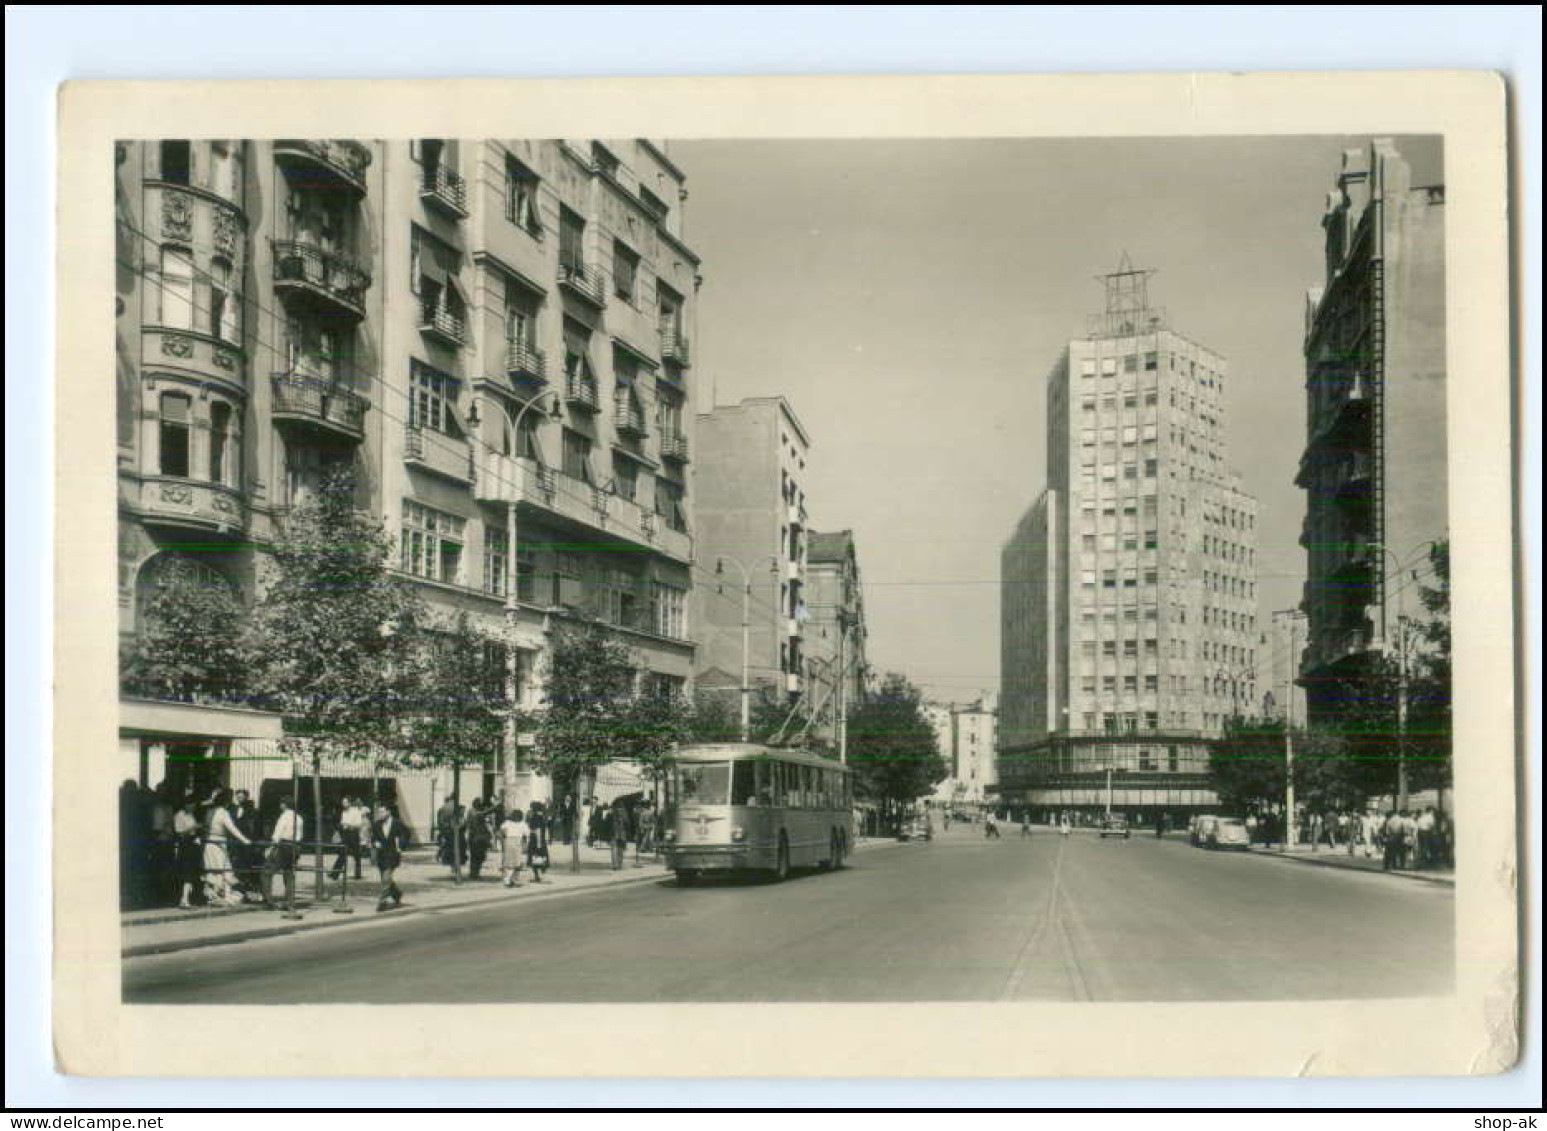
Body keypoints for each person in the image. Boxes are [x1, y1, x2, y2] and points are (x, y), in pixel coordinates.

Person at [201, 789, 251, 906]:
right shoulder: (223, 812)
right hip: (219, 842)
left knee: (212, 869)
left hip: (209, 843)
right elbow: (232, 828)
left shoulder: (210, 811)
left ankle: (213, 895)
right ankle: (226, 896)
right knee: (225, 869)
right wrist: (245, 840)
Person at [262, 795, 304, 918]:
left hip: (283, 845)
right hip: (294, 846)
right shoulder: (299, 818)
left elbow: (277, 834)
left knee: (266, 871)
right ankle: (289, 902)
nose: (280, 805)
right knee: (289, 873)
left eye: (281, 803)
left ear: (285, 804)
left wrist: (270, 847)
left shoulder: (284, 816)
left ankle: (269, 901)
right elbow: (300, 835)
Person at [372, 803, 408, 911]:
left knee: (386, 878)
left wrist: (401, 845)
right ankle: (397, 894)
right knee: (385, 878)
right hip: (381, 856)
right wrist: (375, 843)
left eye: (382, 812)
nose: (380, 814)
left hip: (392, 855)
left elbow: (406, 834)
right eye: (379, 812)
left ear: (388, 812)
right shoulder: (377, 825)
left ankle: (382, 902)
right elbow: (373, 839)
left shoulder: (397, 823)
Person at [172, 791, 202, 909]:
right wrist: (194, 828)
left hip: (193, 845)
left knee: (191, 873)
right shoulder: (180, 815)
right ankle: (183, 899)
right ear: (185, 804)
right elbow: (180, 833)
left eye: (194, 804)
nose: (192, 806)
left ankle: (186, 899)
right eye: (190, 804)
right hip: (185, 846)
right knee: (187, 873)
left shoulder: (191, 815)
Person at [329, 796, 366, 881]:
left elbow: (359, 824)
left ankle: (358, 874)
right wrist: (342, 825)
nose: (343, 804)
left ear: (349, 803)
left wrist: (349, 825)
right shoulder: (343, 812)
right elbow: (342, 822)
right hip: (346, 834)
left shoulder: (356, 811)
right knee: (342, 853)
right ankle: (335, 874)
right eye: (343, 802)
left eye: (345, 802)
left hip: (354, 834)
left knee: (356, 855)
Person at [499, 808, 529, 888]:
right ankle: (511, 879)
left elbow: (503, 832)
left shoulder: (507, 823)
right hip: (517, 842)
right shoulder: (523, 824)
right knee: (516, 862)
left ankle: (507, 879)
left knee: (508, 862)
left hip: (508, 841)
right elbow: (526, 834)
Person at [464, 798, 493, 880]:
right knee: (476, 856)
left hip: (479, 837)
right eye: (480, 804)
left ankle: (475, 873)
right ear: (476, 804)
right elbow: (479, 815)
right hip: (475, 837)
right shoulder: (472, 812)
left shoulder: (477, 812)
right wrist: (492, 809)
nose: (481, 806)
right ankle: (473, 874)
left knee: (480, 857)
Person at [526, 800, 551, 884]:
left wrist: (531, 833)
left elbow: (536, 830)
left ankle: (538, 876)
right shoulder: (542, 817)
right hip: (541, 841)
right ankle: (540, 876)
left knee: (535, 858)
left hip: (536, 841)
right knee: (541, 858)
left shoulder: (535, 817)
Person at [609, 801, 630, 871]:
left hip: (613, 833)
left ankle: (614, 865)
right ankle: (619, 864)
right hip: (622, 833)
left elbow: (607, 823)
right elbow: (627, 823)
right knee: (620, 849)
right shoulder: (624, 813)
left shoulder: (611, 813)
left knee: (613, 849)